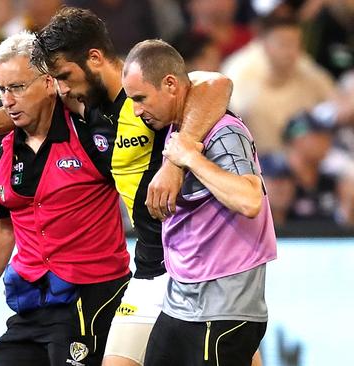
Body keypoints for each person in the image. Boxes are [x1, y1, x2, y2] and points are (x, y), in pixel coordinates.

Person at [0, 7, 234, 366]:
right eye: (57, 79)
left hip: (198, 264)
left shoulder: (142, 94)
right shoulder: (86, 109)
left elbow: (217, 84)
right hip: (151, 268)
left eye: (65, 76)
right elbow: (37, 103)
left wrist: (176, 160)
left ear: (95, 58)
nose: (63, 87)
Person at [0, 31, 131, 366]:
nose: (6, 100)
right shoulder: (7, 149)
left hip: (89, 302)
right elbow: (2, 225)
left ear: (50, 83)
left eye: (17, 87)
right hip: (31, 305)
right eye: (1, 90)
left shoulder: (91, 134)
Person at [121, 39, 277, 366]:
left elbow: (250, 200)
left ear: (170, 85)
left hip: (224, 309)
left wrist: (190, 158)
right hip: (181, 302)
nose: (137, 110)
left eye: (141, 98)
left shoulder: (224, 132)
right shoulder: (178, 127)